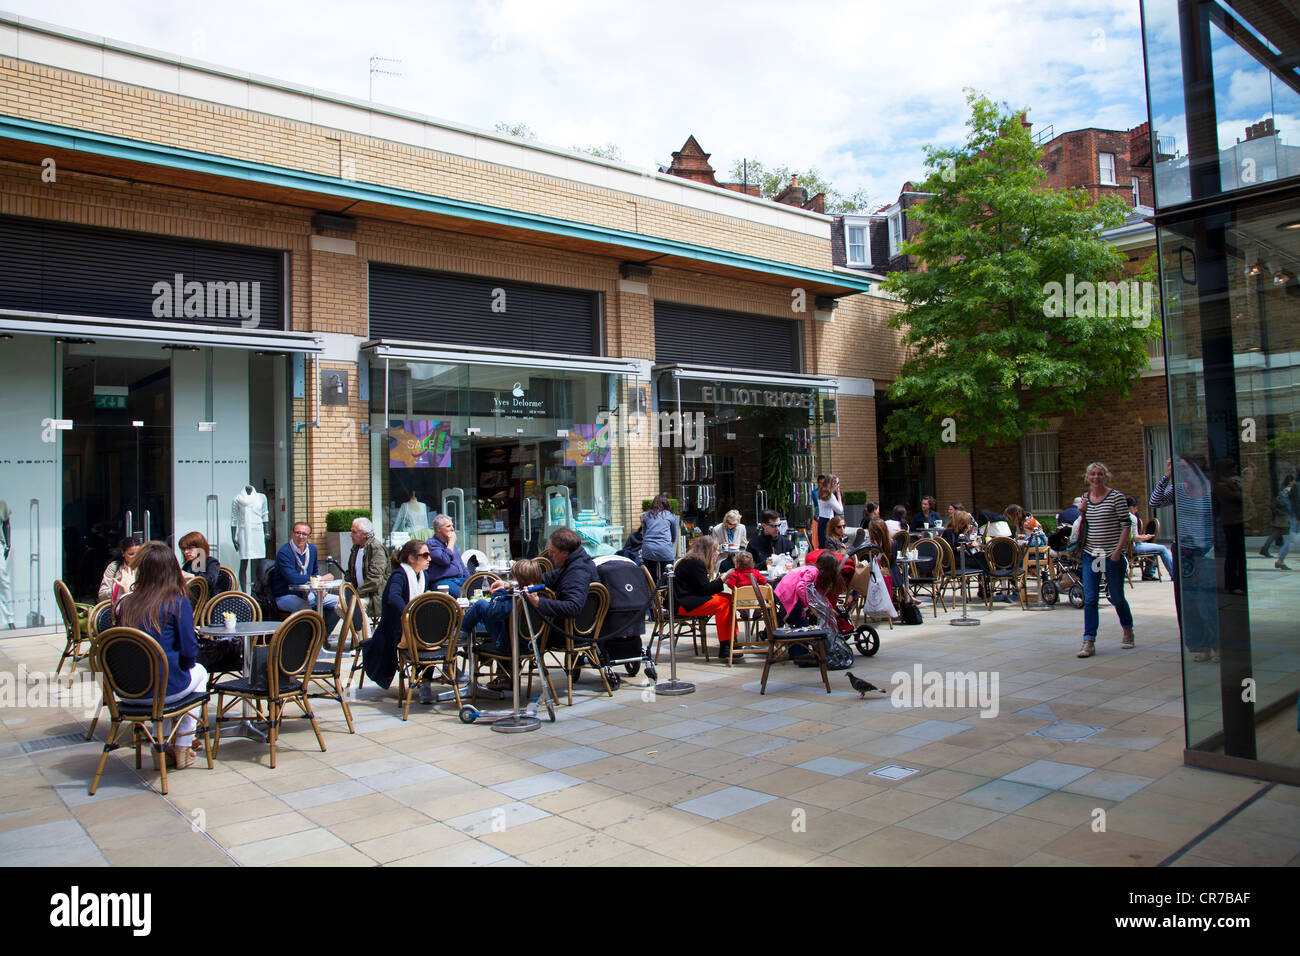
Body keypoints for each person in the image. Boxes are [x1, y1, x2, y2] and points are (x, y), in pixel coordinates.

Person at [114, 541, 207, 769]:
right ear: (171, 569)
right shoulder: (176, 601)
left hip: (128, 692)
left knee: (164, 679)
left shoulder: (126, 605)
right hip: (164, 691)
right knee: (200, 673)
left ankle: (161, 748)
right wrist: (184, 665)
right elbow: (188, 652)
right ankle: (183, 746)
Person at [1151, 455, 1218, 660]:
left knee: (1207, 600)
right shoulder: (1179, 490)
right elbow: (1155, 501)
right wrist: (1166, 477)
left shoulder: (1210, 490)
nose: (1184, 473)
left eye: (1188, 469)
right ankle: (1200, 646)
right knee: (1189, 601)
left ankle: (1216, 643)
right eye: (1181, 470)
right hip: (1185, 551)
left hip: (1207, 551)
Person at [1076, 462, 1133, 658]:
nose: (1096, 477)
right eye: (1093, 474)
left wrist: (1118, 551)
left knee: (1116, 596)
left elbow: (1126, 525)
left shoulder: (1116, 497)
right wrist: (1081, 511)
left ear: (1105, 476)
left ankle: (1127, 628)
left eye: (1100, 474)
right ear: (1087, 477)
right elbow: (1084, 526)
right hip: (1093, 553)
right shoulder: (1085, 497)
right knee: (1090, 598)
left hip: (1111, 553)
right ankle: (1088, 640)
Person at [362, 539, 435, 691]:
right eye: (425, 555)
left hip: (416, 626)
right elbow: (393, 598)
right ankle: (426, 680)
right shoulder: (399, 576)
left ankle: (428, 678)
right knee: (430, 636)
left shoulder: (423, 577)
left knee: (437, 633)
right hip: (396, 628)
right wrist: (410, 614)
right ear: (412, 558)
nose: (430, 559)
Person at [463, 558, 544, 691]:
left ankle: (462, 633)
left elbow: (496, 612)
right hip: (533, 644)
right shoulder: (539, 593)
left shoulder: (515, 597)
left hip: (510, 645)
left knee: (481, 605)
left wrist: (500, 593)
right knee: (489, 614)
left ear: (516, 579)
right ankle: (503, 676)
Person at [674, 535, 736, 661]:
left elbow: (702, 588)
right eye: (716, 550)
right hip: (683, 604)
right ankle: (725, 645)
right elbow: (705, 589)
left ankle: (731, 640)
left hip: (688, 598)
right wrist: (724, 578)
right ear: (708, 550)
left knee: (728, 598)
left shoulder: (693, 561)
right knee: (723, 603)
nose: (718, 553)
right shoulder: (695, 563)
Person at [272, 521, 340, 634]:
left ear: (309, 536)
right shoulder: (284, 552)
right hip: (285, 595)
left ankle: (322, 636)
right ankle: (303, 641)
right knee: (304, 607)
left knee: (341, 602)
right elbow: (292, 578)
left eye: (304, 534)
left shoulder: (312, 550)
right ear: (291, 534)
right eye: (297, 533)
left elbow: (314, 571)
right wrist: (319, 578)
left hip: (308, 594)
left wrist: (320, 589)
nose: (300, 536)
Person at [527, 527, 598, 633]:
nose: (549, 555)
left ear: (565, 553)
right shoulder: (573, 563)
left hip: (571, 632)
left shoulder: (578, 572)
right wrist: (511, 584)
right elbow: (546, 578)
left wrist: (538, 602)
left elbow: (573, 607)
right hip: (569, 627)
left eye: (553, 552)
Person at [776, 550, 844, 629]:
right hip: (788, 591)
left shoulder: (817, 575)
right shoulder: (813, 571)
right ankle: (804, 640)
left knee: (794, 616)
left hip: (788, 591)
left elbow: (820, 594)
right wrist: (810, 605)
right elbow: (800, 587)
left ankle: (771, 631)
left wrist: (829, 607)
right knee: (802, 622)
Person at [345, 517, 389, 621]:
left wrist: (356, 594)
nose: (351, 535)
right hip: (360, 593)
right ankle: (361, 633)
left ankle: (365, 635)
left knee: (354, 608)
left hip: (374, 596)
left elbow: (375, 579)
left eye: (354, 532)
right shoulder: (356, 548)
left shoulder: (376, 548)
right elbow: (350, 573)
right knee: (338, 606)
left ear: (365, 534)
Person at [1127, 496, 1173, 579]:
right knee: (1162, 548)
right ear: (1131, 507)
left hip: (1121, 548)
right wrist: (1145, 537)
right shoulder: (1132, 518)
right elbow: (1134, 538)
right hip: (1132, 548)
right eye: (1136, 508)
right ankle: (1174, 574)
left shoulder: (1117, 516)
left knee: (1154, 548)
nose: (1137, 510)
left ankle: (1148, 573)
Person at [426, 515, 470, 594]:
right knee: (464, 596)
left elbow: (460, 564)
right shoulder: (431, 544)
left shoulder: (449, 544)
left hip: (459, 579)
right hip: (442, 582)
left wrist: (471, 580)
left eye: (452, 526)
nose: (452, 529)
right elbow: (445, 560)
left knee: (478, 591)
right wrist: (451, 542)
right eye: (448, 526)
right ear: (438, 529)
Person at [640, 494, 679, 584]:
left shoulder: (645, 515)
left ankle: (653, 596)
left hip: (648, 549)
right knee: (667, 578)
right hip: (664, 549)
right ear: (666, 504)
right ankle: (666, 595)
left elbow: (644, 534)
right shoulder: (670, 516)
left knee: (650, 579)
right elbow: (674, 536)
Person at [1258, 474, 1293, 562]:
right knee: (1281, 532)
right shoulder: (1287, 490)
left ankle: (1265, 548)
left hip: (1282, 514)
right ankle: (1266, 549)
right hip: (1284, 514)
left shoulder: (1284, 489)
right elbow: (1286, 503)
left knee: (1277, 532)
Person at [179, 531, 223, 596]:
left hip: (205, 599)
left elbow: (211, 580)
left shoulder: (211, 562)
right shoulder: (188, 564)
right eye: (183, 549)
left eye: (190, 548)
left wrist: (192, 576)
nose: (186, 552)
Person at [99, 538, 140, 603]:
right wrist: (118, 589)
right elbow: (102, 595)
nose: (135, 557)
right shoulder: (114, 567)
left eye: (138, 554)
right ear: (123, 553)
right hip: (118, 605)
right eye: (131, 554)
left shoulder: (146, 567)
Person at [816, 475, 843, 549]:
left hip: (821, 521)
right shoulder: (830, 496)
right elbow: (840, 510)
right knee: (829, 546)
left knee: (822, 545)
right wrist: (839, 495)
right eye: (837, 483)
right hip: (827, 521)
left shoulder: (821, 493)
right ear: (833, 484)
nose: (838, 486)